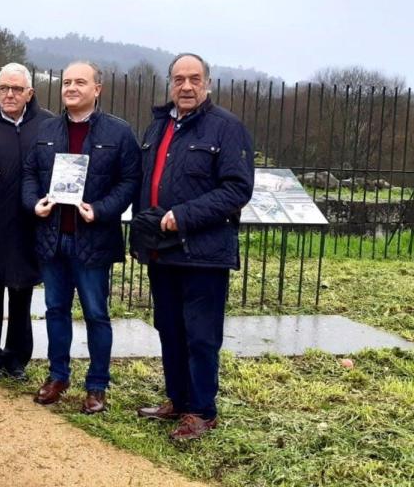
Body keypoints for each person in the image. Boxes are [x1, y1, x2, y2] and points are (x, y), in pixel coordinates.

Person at [132, 53, 254, 441]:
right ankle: (178, 399)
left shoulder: (226, 129)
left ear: (208, 83)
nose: (186, 86)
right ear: (170, 83)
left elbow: (237, 190)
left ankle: (202, 410)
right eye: (179, 79)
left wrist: (183, 215)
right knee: (168, 327)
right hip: (162, 249)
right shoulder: (158, 127)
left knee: (200, 334)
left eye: (194, 79)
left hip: (204, 252)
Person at [21, 61, 140, 414]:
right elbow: (29, 173)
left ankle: (97, 385)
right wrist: (34, 204)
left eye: (80, 82)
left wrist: (102, 209)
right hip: (53, 238)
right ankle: (58, 376)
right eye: (67, 81)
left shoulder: (119, 133)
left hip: (93, 239)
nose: (71, 87)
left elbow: (131, 181)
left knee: (95, 314)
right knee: (55, 310)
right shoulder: (46, 130)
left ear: (97, 89)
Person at [0, 62, 53, 386]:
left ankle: (17, 358)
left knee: (22, 294)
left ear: (29, 93)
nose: (9, 94)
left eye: (17, 89)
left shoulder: (48, 125)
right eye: (4, 88)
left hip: (31, 222)